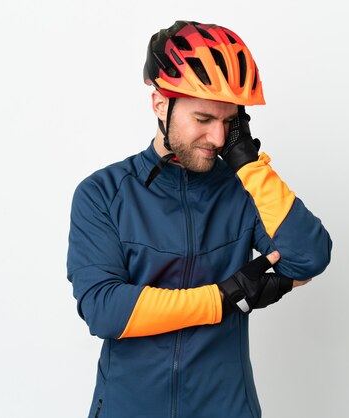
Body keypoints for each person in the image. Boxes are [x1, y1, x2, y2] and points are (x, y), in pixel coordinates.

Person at [67, 20, 332, 418]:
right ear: (160, 105)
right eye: (204, 120)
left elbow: (309, 257)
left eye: (230, 123)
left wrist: (249, 165)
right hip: (128, 408)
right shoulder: (102, 193)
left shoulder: (243, 189)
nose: (219, 139)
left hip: (227, 408)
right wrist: (223, 297)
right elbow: (104, 309)